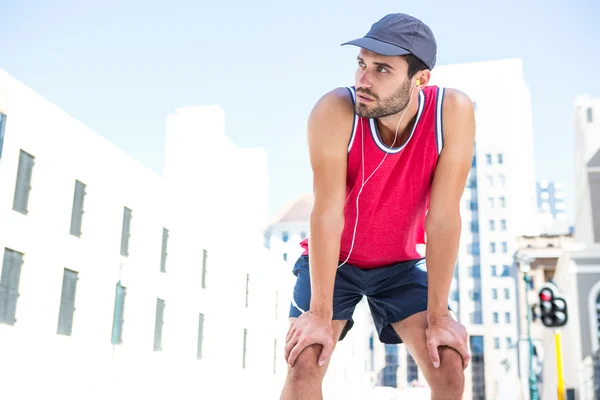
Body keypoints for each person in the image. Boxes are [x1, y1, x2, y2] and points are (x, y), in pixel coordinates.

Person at [280, 13, 475, 400]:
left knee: (449, 366)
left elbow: (442, 218)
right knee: (305, 363)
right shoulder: (334, 110)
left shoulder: (452, 112)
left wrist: (439, 317)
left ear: (419, 79)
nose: (363, 80)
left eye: (381, 69)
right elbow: (327, 211)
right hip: (333, 262)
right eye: (361, 64)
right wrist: (318, 313)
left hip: (400, 267)